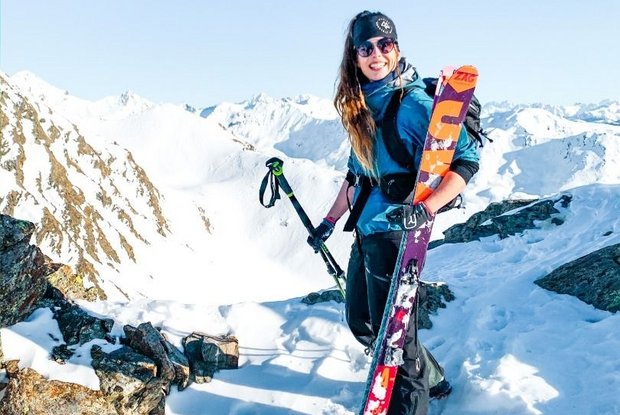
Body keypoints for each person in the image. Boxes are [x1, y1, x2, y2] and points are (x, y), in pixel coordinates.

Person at [307, 11, 479, 415]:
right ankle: (431, 379)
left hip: (398, 236)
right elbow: (358, 176)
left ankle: (413, 397)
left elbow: (465, 162)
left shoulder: (413, 104)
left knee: (397, 346)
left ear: (396, 49)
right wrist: (328, 222)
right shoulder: (362, 106)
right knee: (363, 323)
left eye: (385, 45)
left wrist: (427, 209)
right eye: (366, 47)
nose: (376, 54)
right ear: (354, 57)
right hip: (367, 231)